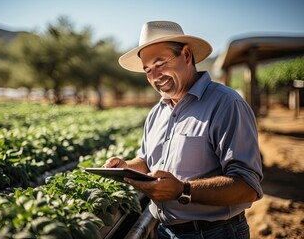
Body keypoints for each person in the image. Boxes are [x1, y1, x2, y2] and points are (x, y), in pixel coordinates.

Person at [103, 21, 263, 238]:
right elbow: (147, 161)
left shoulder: (226, 103)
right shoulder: (157, 113)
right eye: (148, 70)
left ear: (187, 55)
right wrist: (126, 167)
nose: (155, 76)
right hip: (164, 231)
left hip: (215, 233)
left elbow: (247, 186)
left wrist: (183, 190)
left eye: (160, 63)